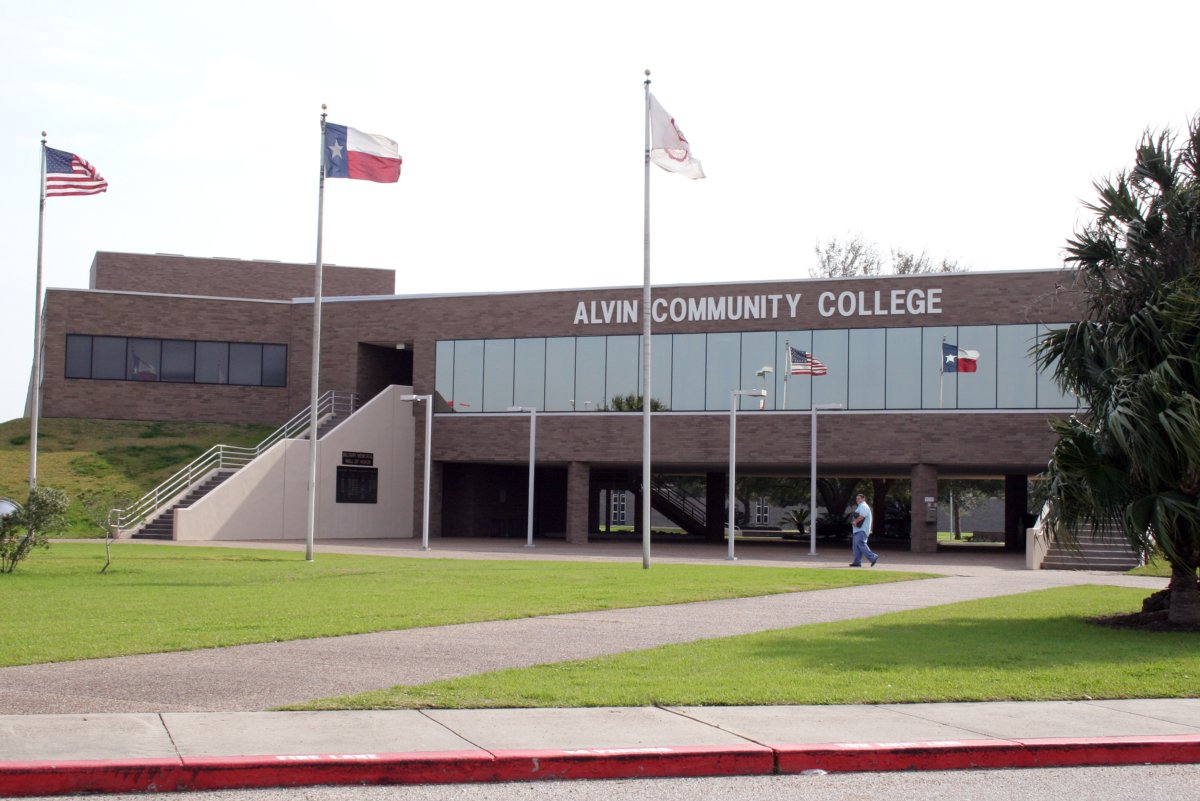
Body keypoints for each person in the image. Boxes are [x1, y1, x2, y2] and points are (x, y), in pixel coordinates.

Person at [848, 492, 878, 567]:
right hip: (857, 530)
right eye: (856, 498)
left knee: (861, 543)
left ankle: (873, 557)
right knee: (856, 547)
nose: (857, 500)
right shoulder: (860, 506)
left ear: (863, 499)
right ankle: (857, 562)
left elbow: (862, 516)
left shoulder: (863, 506)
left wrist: (855, 521)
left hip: (862, 530)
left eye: (859, 498)